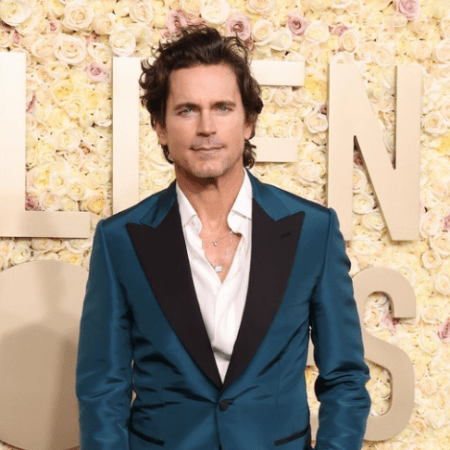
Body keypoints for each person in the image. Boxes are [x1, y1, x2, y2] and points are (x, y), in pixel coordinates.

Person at [76, 26, 371, 450]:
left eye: (223, 108)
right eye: (187, 110)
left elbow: (344, 377)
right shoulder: (120, 239)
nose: (207, 127)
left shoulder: (312, 230)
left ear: (248, 122)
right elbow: (103, 387)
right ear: (160, 127)